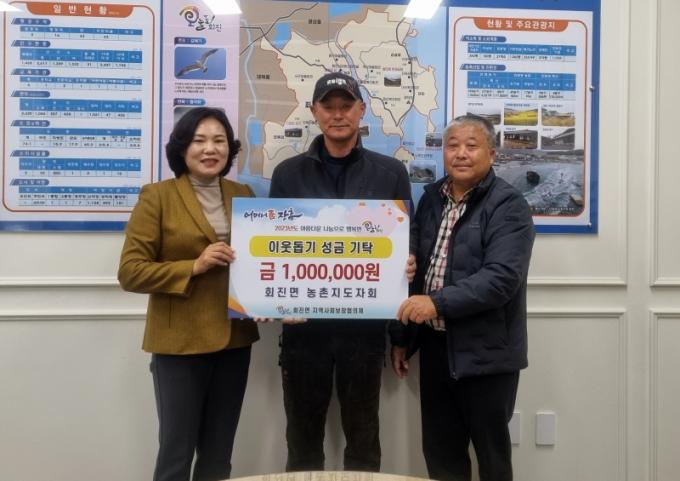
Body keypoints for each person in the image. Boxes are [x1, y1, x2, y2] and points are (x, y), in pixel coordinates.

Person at [269, 71, 413, 472]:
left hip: (364, 333)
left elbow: (404, 251)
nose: (337, 115)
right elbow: (275, 247)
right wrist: (270, 300)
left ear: (361, 110)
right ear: (314, 111)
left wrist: (400, 335)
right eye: (328, 106)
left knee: (364, 441)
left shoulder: (390, 173)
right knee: (302, 442)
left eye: (346, 106)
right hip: (303, 332)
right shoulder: (287, 174)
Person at [118, 107, 259, 481]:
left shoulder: (243, 194)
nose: (210, 149)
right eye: (199, 140)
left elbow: (259, 262)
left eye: (219, 141)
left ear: (230, 148)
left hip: (234, 341)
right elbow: (131, 272)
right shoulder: (158, 196)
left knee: (218, 456)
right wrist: (193, 266)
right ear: (182, 148)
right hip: (179, 343)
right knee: (175, 456)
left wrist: (271, 298)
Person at [392, 115, 535, 481]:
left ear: (492, 154)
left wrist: (436, 303)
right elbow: (416, 271)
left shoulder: (509, 205)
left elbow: (501, 279)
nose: (460, 154)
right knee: (442, 455)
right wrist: (402, 339)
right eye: (452, 146)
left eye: (471, 146)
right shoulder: (432, 199)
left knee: (492, 459)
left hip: (486, 353)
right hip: (436, 349)